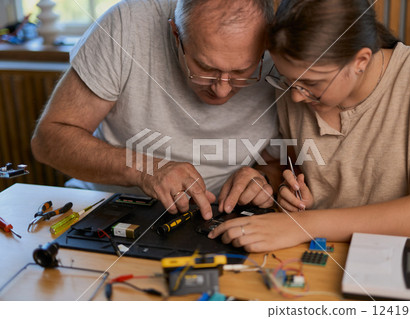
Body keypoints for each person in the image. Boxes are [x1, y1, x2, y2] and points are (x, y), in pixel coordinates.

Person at [209, 0, 410, 252]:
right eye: (288, 81)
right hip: (317, 253)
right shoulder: (292, 89)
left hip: (400, 256)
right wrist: (278, 185)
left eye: (311, 83)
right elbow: (281, 162)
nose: (296, 97)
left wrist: (301, 225)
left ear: (361, 61)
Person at [31, 0, 280, 220]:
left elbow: (283, 162)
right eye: (205, 68)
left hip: (225, 216)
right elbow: (48, 140)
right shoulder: (127, 25)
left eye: (241, 72)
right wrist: (146, 170)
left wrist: (263, 180)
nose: (222, 90)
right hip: (106, 205)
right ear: (175, 33)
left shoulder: (285, 44)